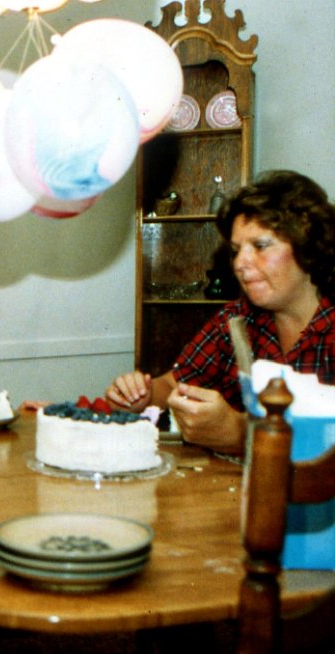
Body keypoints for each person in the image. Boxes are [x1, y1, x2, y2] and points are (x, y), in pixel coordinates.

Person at [106, 170, 335, 453]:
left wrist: (242, 433)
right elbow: (173, 383)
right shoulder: (235, 320)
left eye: (260, 246)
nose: (240, 263)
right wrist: (142, 395)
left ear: (308, 246)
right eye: (236, 250)